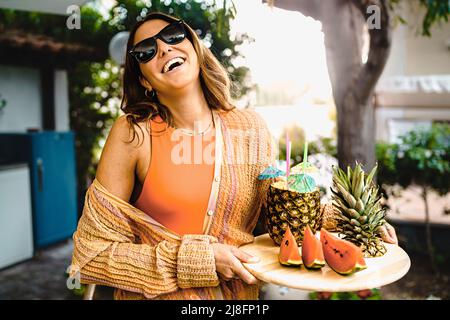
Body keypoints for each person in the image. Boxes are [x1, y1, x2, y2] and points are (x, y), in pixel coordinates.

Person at [70, 12, 397, 300]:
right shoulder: (132, 133)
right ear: (144, 79)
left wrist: (352, 224)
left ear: (194, 47)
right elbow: (90, 257)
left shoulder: (250, 128)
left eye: (173, 36)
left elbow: (280, 212)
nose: (164, 48)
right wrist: (196, 261)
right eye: (146, 51)